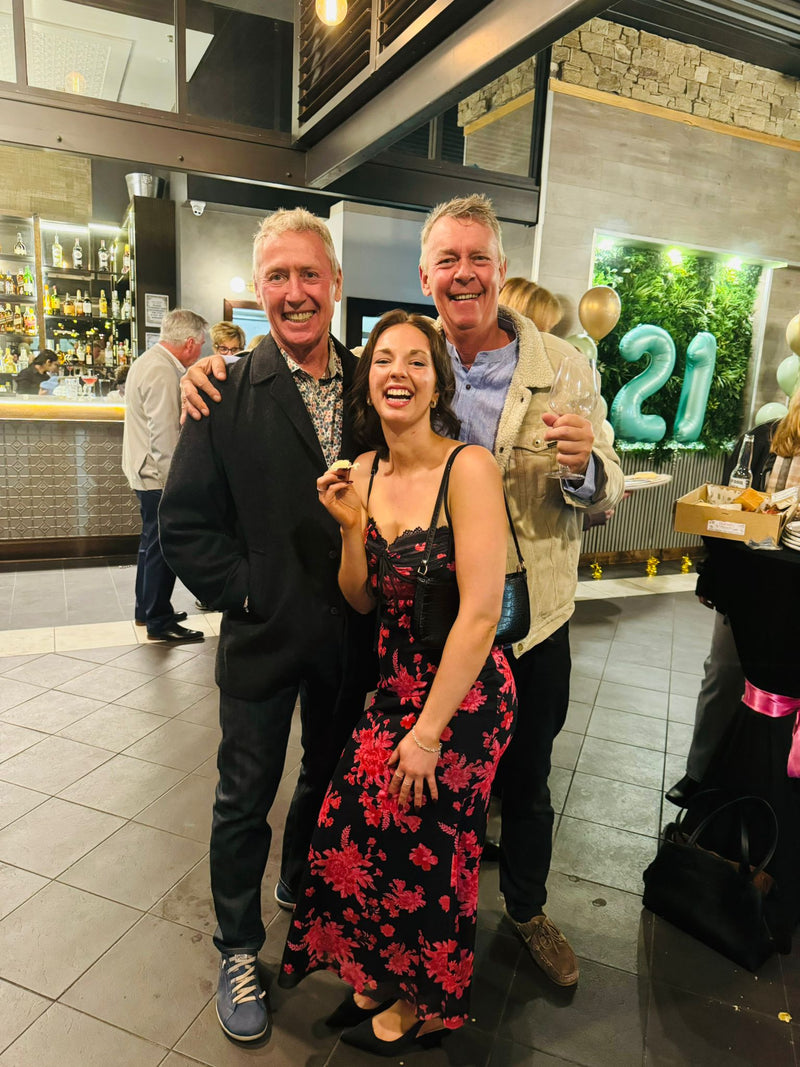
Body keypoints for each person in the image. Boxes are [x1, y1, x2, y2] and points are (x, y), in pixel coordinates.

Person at [180, 193, 625, 988]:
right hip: (353, 630)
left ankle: (511, 912)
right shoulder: (321, 376)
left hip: (505, 622)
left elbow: (605, 488)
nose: (464, 273)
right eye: (447, 259)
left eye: (478, 257)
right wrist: (254, 591)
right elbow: (196, 519)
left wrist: (585, 463)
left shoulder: (554, 368)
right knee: (291, 793)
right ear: (425, 276)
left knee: (509, 782)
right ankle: (284, 946)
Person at [158, 208, 374, 1044]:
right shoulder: (222, 390)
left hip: (349, 632)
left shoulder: (372, 385)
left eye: (309, 273)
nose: (294, 291)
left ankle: (302, 886)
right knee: (244, 794)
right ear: (259, 289)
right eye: (278, 276)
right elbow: (184, 525)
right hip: (260, 630)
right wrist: (247, 592)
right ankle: (240, 948)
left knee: (326, 775)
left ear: (335, 283)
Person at [279, 309, 516, 1053]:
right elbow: (360, 599)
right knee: (354, 823)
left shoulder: (468, 468)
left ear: (438, 383)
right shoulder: (364, 470)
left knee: (430, 843)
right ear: (368, 379)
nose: (399, 373)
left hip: (465, 693)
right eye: (384, 359)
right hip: (394, 683)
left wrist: (429, 734)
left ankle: (425, 1000)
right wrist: (352, 528)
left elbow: (481, 614)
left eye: (417, 360)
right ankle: (382, 970)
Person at [667, 387, 800, 807]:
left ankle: (777, 791)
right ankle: (699, 774)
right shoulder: (761, 439)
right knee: (724, 675)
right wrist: (713, 575)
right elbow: (722, 513)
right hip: (751, 588)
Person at [121, 308, 207, 643]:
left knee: (149, 544)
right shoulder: (162, 370)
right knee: (162, 547)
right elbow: (164, 434)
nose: (201, 350)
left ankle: (146, 610)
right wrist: (176, 485)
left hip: (144, 469)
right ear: (190, 343)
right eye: (201, 343)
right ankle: (159, 619)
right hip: (157, 475)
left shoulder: (148, 360)